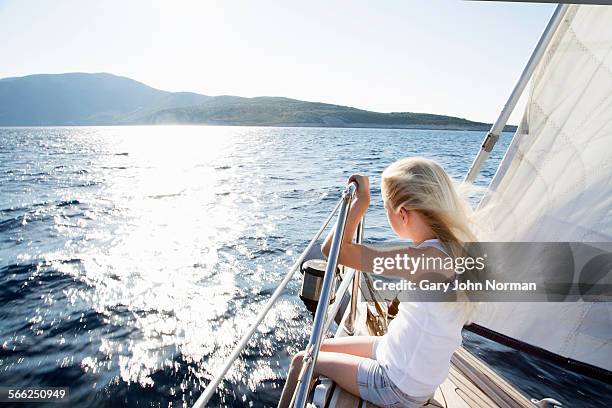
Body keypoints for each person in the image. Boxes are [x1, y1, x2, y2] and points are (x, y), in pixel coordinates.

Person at [278, 157, 479, 408]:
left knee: (302, 360)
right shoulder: (453, 250)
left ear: (402, 214)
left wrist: (361, 203)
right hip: (404, 364)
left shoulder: (422, 260)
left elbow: (332, 249)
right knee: (318, 347)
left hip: (397, 386)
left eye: (385, 208)